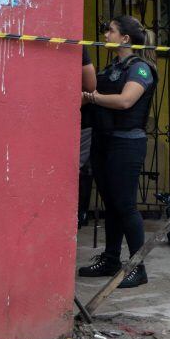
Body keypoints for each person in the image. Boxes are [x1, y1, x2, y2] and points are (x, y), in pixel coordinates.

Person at [77, 15, 157, 289]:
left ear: (125, 38)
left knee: (125, 206)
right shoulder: (114, 66)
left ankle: (138, 266)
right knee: (110, 204)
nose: (105, 34)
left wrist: (91, 98)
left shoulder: (141, 69)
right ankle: (111, 259)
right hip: (104, 140)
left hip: (126, 143)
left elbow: (125, 101)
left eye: (110, 31)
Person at [78, 46, 97, 228]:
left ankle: (80, 214)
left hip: (82, 120)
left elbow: (91, 88)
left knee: (79, 168)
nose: (106, 35)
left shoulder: (79, 47)